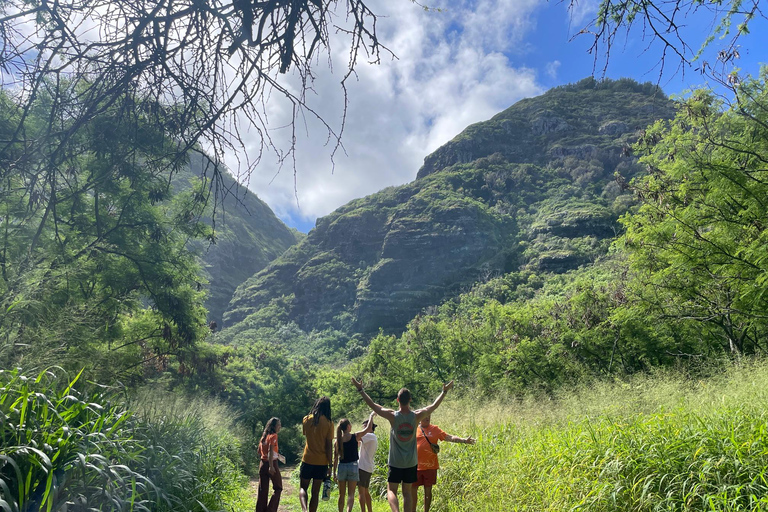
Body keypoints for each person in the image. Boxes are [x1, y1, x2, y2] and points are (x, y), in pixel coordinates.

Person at [351, 377, 454, 512]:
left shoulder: (393, 416)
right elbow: (433, 406)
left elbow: (373, 405)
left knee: (391, 490)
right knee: (407, 492)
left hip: (395, 462)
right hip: (411, 462)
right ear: (410, 400)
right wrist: (444, 392)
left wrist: (361, 389)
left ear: (398, 400)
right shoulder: (416, 416)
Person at [410, 415, 475, 512]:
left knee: (428, 491)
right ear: (419, 418)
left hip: (430, 466)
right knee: (413, 491)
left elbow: (449, 437)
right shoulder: (413, 429)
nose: (427, 417)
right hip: (414, 466)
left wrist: (464, 440)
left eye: (429, 416)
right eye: (425, 416)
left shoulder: (435, 429)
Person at [333, 411, 376, 512]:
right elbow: (369, 429)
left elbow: (335, 458)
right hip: (353, 467)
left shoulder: (337, 441)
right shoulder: (355, 436)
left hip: (341, 467)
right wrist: (371, 415)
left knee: (341, 495)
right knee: (351, 494)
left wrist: (333, 472)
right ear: (348, 426)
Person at [300, 397, 333, 512]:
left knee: (303, 488)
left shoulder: (307, 419)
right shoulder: (329, 423)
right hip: (321, 462)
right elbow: (329, 445)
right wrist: (330, 465)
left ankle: (304, 510)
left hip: (307, 459)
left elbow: (305, 434)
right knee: (315, 492)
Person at [257, 417, 286, 512]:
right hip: (271, 463)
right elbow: (270, 451)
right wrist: (271, 466)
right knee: (278, 488)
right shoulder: (274, 436)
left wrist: (277, 455)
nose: (280, 427)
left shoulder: (264, 436)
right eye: (278, 425)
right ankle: (271, 510)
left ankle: (260, 510)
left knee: (263, 490)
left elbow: (259, 451)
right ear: (274, 426)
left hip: (262, 464)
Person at [357, 418, 378, 512]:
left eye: (364, 428)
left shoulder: (368, 436)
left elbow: (356, 436)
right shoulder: (372, 437)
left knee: (361, 492)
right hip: (368, 467)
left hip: (363, 467)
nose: (363, 430)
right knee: (365, 491)